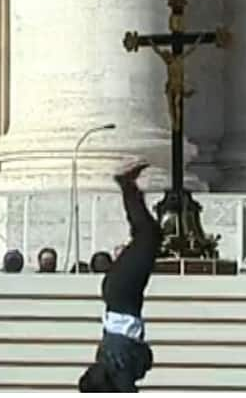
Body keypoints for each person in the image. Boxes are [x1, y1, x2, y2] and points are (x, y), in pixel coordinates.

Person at [78, 159, 158, 392]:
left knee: (149, 236)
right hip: (121, 296)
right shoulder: (110, 360)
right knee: (146, 237)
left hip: (122, 297)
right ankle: (128, 187)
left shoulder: (118, 368)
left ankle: (126, 184)